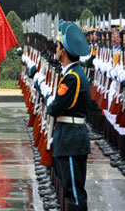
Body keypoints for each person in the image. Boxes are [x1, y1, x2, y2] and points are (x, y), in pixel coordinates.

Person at [45, 22, 91, 210]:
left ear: (63, 51)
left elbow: (55, 108)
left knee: (74, 192)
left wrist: (49, 100)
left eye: (57, 47)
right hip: (69, 135)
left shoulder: (73, 77)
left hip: (71, 138)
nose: (55, 50)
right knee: (70, 187)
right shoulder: (71, 74)